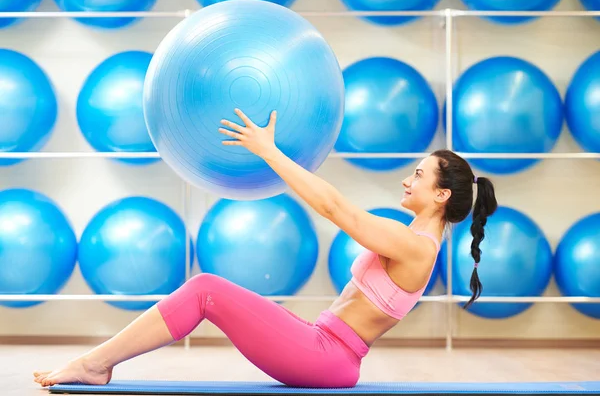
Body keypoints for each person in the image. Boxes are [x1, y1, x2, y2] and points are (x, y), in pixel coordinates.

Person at [34, 108, 498, 389]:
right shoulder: (413, 237)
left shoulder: (415, 246)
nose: (407, 178)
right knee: (209, 290)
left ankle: (94, 365)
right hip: (324, 345)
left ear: (441, 195)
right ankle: (95, 363)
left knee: (204, 290)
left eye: (419, 174)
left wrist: (269, 151)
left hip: (326, 355)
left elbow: (338, 209)